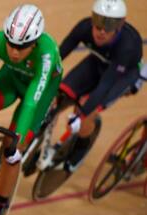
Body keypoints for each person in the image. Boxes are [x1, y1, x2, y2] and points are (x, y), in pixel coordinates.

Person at [0, 4, 63, 215]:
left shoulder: (46, 53)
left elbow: (32, 103)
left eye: (21, 47)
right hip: (11, 79)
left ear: (34, 43)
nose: (14, 51)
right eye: (10, 43)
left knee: (11, 147)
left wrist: (17, 141)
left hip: (38, 91)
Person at [40, 0, 144, 172]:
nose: (101, 31)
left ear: (120, 26)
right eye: (98, 23)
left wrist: (81, 115)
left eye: (108, 26)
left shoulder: (128, 47)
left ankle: (79, 151)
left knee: (85, 110)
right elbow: (59, 55)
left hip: (122, 76)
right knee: (61, 93)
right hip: (98, 63)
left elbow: (106, 85)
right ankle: (40, 140)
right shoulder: (84, 27)